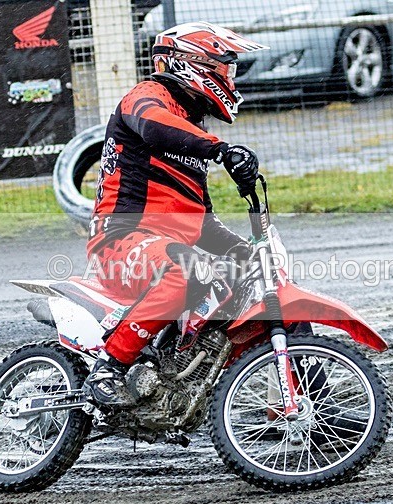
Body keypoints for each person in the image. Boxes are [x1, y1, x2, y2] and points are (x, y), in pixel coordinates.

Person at [82, 22, 269, 406]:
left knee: (262, 276)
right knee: (190, 269)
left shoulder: (190, 126)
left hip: (166, 247)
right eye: (225, 68)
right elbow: (152, 125)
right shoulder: (147, 95)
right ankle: (109, 367)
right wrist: (220, 150)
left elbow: (200, 222)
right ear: (193, 63)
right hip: (119, 242)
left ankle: (301, 403)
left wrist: (246, 253)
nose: (230, 78)